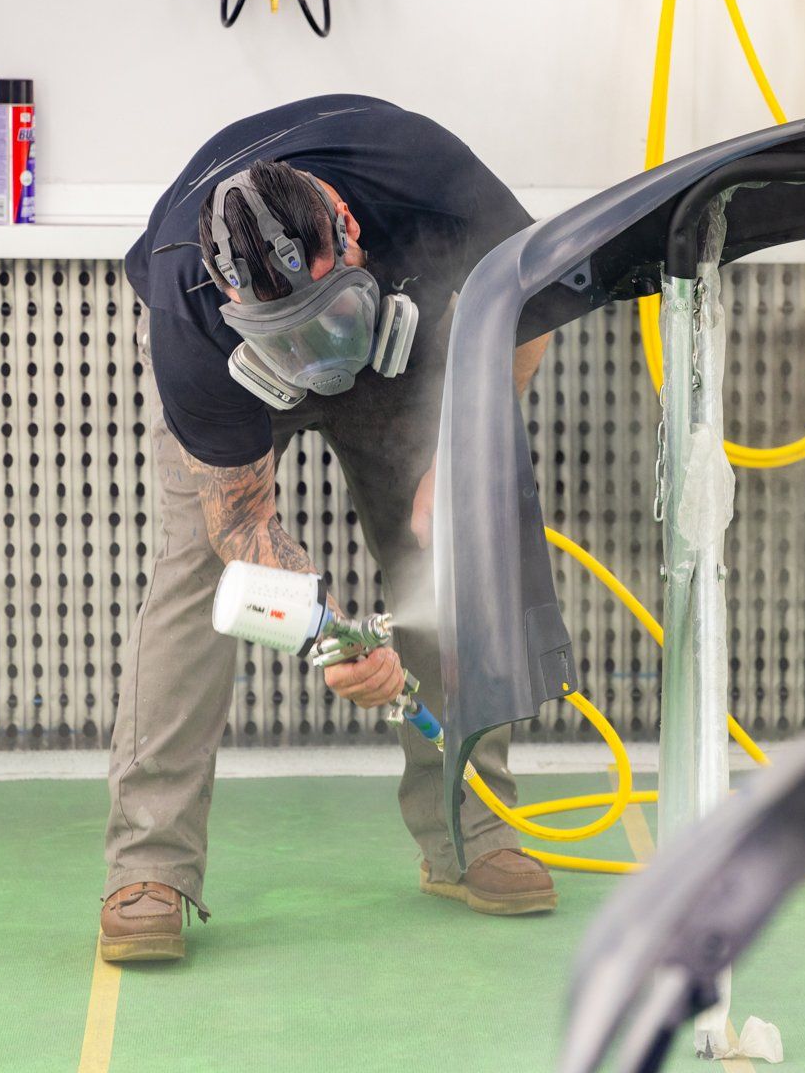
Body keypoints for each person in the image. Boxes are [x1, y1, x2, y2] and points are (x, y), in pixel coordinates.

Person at [100, 94, 556, 963]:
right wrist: (330, 638)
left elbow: (531, 304)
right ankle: (147, 868)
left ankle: (476, 834)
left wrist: (459, 458)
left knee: (454, 556)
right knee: (199, 582)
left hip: (406, 349)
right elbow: (243, 527)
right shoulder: (186, 300)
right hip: (243, 388)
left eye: (323, 318)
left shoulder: (417, 169)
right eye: (290, 335)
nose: (318, 363)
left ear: (348, 227)